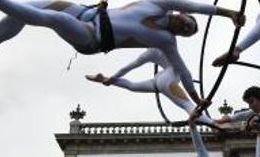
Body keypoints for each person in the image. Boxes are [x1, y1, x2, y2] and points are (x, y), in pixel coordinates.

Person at [0, 0, 245, 108]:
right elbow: (196, 4)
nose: (186, 27)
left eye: (189, 32)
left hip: (91, 38)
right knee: (31, 8)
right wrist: (228, 13)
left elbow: (181, 70)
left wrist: (197, 98)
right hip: (88, 12)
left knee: (51, 18)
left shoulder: (165, 42)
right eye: (188, 22)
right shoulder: (160, 3)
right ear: (181, 14)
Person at [85, 48, 218, 126]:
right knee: (188, 106)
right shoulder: (167, 43)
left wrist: (112, 78)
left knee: (132, 86)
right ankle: (215, 125)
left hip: (159, 78)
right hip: (168, 78)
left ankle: (104, 78)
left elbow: (127, 67)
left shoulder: (148, 53)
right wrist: (199, 101)